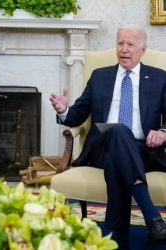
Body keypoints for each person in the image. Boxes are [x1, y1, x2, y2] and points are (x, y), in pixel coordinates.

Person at [50, 24, 166, 248]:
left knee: (117, 158)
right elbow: (77, 115)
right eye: (120, 43)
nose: (124, 49)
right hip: (100, 147)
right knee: (118, 130)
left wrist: (162, 132)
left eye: (130, 44)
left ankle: (118, 237)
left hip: (144, 150)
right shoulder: (100, 76)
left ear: (143, 49)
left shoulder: (160, 78)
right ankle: (153, 218)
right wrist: (63, 110)